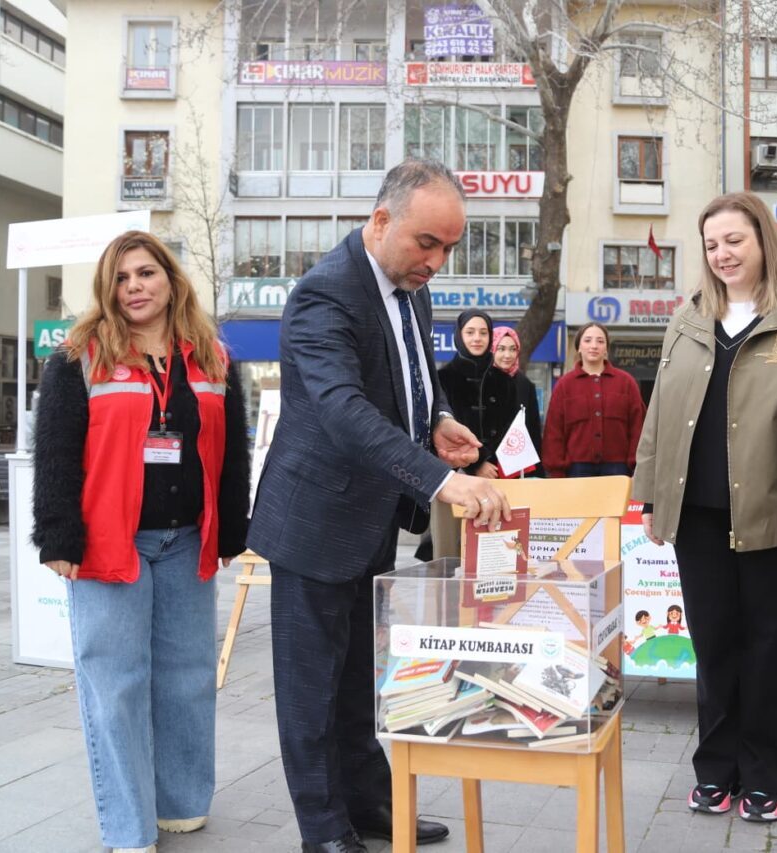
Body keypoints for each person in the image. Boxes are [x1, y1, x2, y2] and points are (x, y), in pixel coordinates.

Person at [246, 159, 511, 853]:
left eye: (449, 247)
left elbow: (409, 375)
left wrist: (438, 419)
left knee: (361, 678)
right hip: (312, 522)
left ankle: (371, 805)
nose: (438, 261)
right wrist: (438, 480)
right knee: (311, 688)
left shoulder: (409, 288)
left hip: (368, 516)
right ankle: (324, 828)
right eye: (428, 243)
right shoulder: (323, 297)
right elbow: (342, 408)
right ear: (382, 220)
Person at [31, 231, 251, 853]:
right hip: (108, 544)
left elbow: (231, 453)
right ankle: (128, 827)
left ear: (170, 280)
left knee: (187, 677)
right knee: (117, 682)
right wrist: (57, 536)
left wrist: (233, 528)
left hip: (187, 541)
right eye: (122, 277)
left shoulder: (211, 357)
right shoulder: (79, 356)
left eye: (146, 273)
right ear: (109, 287)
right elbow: (56, 454)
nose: (135, 286)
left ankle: (181, 803)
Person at [633, 192, 777, 824]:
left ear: (765, 241)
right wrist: (649, 492)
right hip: (697, 514)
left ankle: (764, 775)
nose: (723, 254)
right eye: (712, 244)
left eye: (735, 241)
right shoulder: (690, 318)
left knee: (770, 647)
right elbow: (661, 411)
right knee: (714, 644)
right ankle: (715, 770)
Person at [542, 322, 645, 477]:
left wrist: (635, 465)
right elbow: (554, 432)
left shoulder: (626, 383)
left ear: (606, 349)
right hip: (576, 470)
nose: (594, 345)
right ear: (579, 347)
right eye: (588, 340)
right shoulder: (565, 385)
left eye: (600, 341)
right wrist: (557, 472)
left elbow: (638, 427)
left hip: (618, 470)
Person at [437, 310, 518, 477]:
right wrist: (477, 463)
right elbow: (441, 424)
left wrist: (492, 460)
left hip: (498, 469)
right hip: (457, 470)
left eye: (483, 333)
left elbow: (512, 426)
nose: (477, 338)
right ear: (459, 335)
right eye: (470, 332)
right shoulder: (442, 378)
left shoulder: (504, 380)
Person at [491, 325, 544, 471]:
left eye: (512, 349)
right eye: (501, 349)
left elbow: (533, 429)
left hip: (519, 465)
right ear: (492, 349)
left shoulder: (525, 385)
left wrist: (538, 469)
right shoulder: (481, 381)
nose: (507, 355)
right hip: (487, 467)